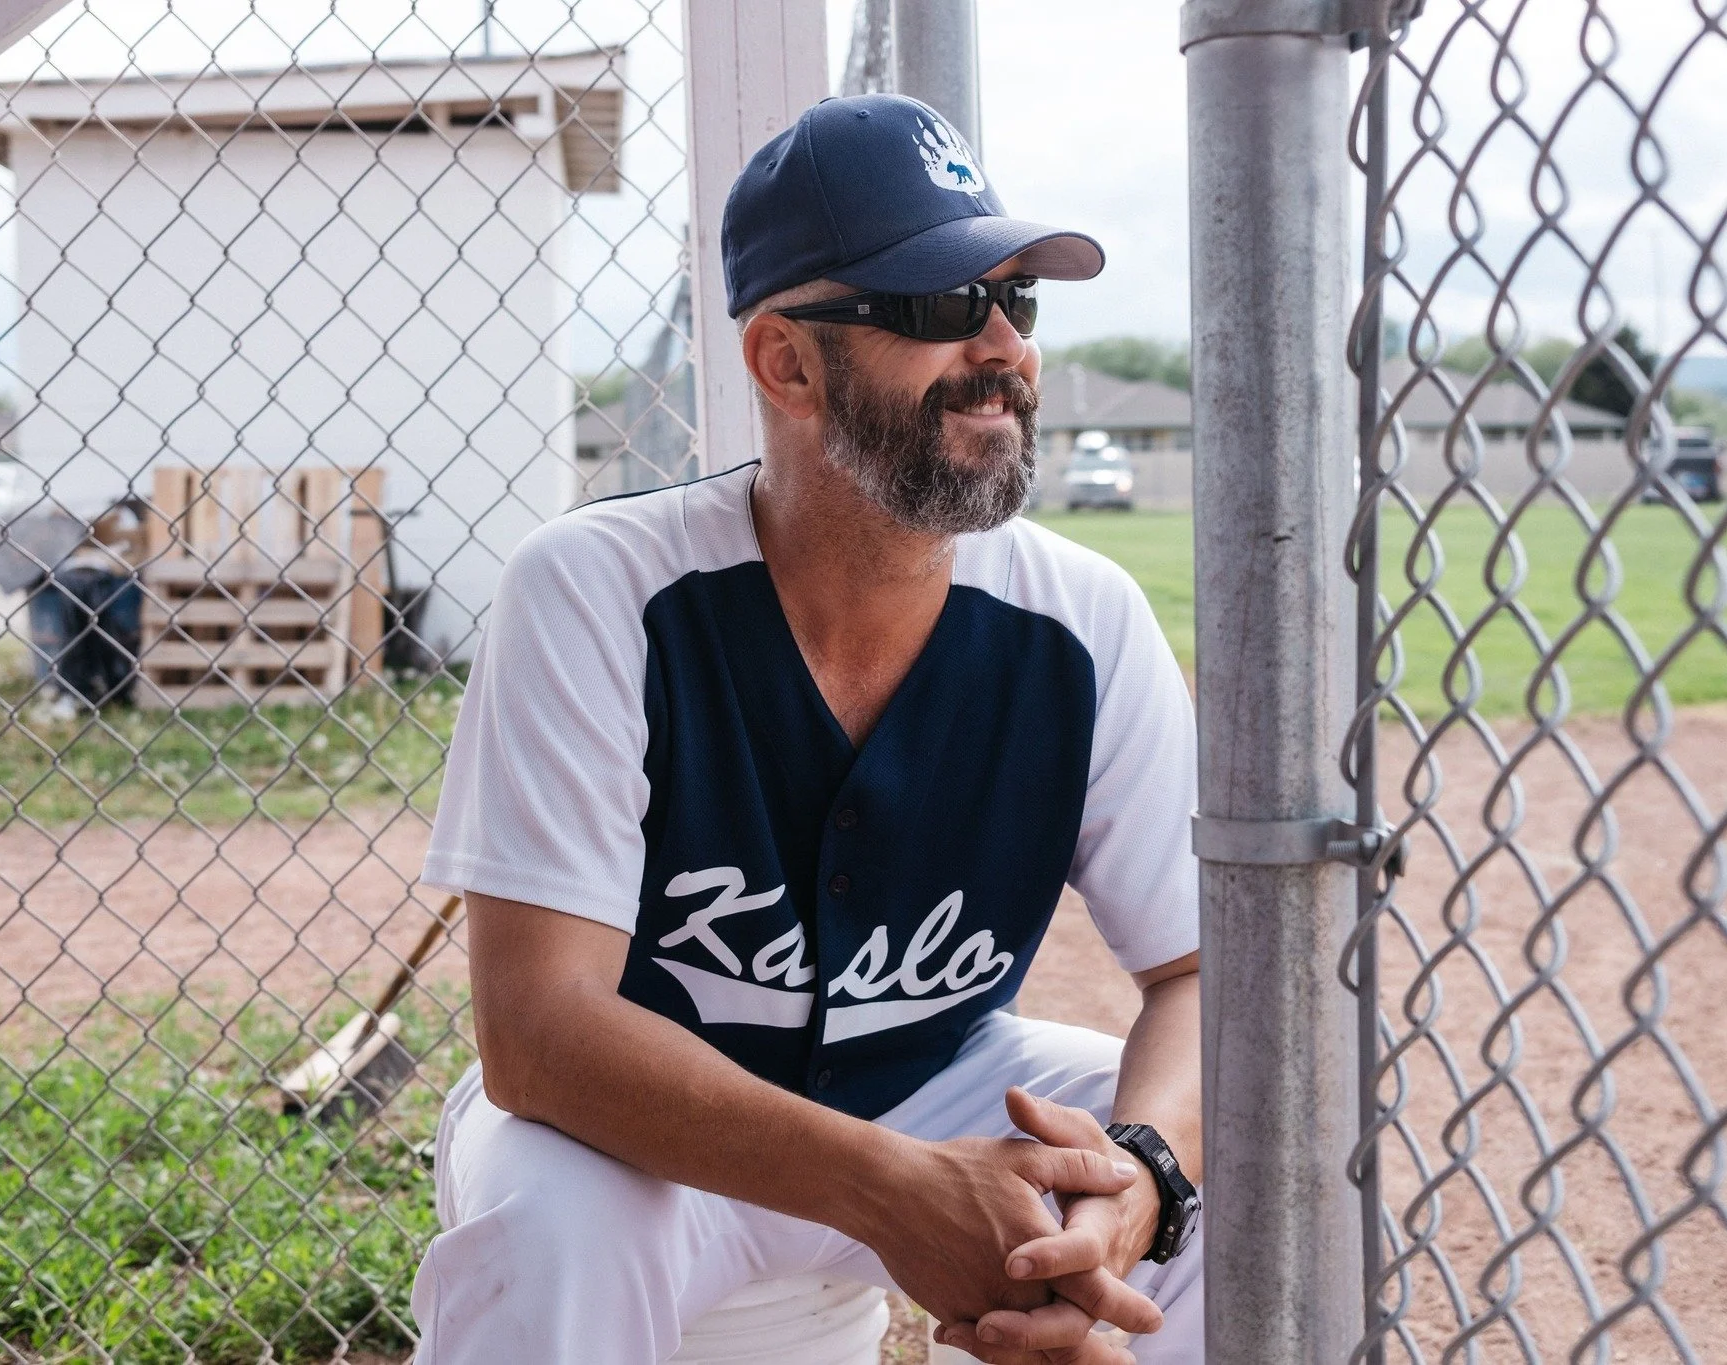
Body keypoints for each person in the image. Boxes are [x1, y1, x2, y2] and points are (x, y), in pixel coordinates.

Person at [409, 93, 1203, 1364]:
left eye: (1017, 301)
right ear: (785, 361)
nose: (1002, 348)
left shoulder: (1082, 620)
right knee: (552, 1231)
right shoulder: (598, 589)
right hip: (637, 1133)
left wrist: (1146, 1177)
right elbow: (539, 1034)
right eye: (942, 308)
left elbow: (1195, 971)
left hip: (936, 1075)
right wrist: (890, 1185)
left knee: (1189, 1186)